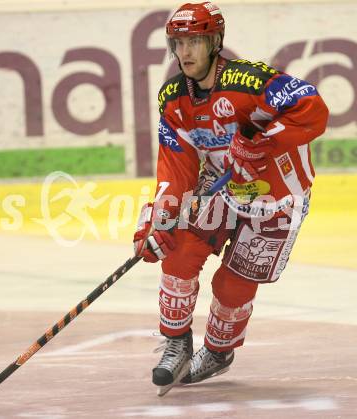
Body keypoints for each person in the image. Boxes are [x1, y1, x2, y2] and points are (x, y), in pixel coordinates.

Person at [133, 1, 329, 396]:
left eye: (195, 41)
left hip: (276, 199)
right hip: (220, 191)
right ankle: (177, 343)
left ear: (215, 42)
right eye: (178, 42)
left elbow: (313, 109)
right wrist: (160, 218)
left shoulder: (250, 81)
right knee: (178, 251)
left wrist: (259, 141)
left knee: (231, 287)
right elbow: (175, 167)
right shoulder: (174, 99)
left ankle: (219, 352)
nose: (185, 52)